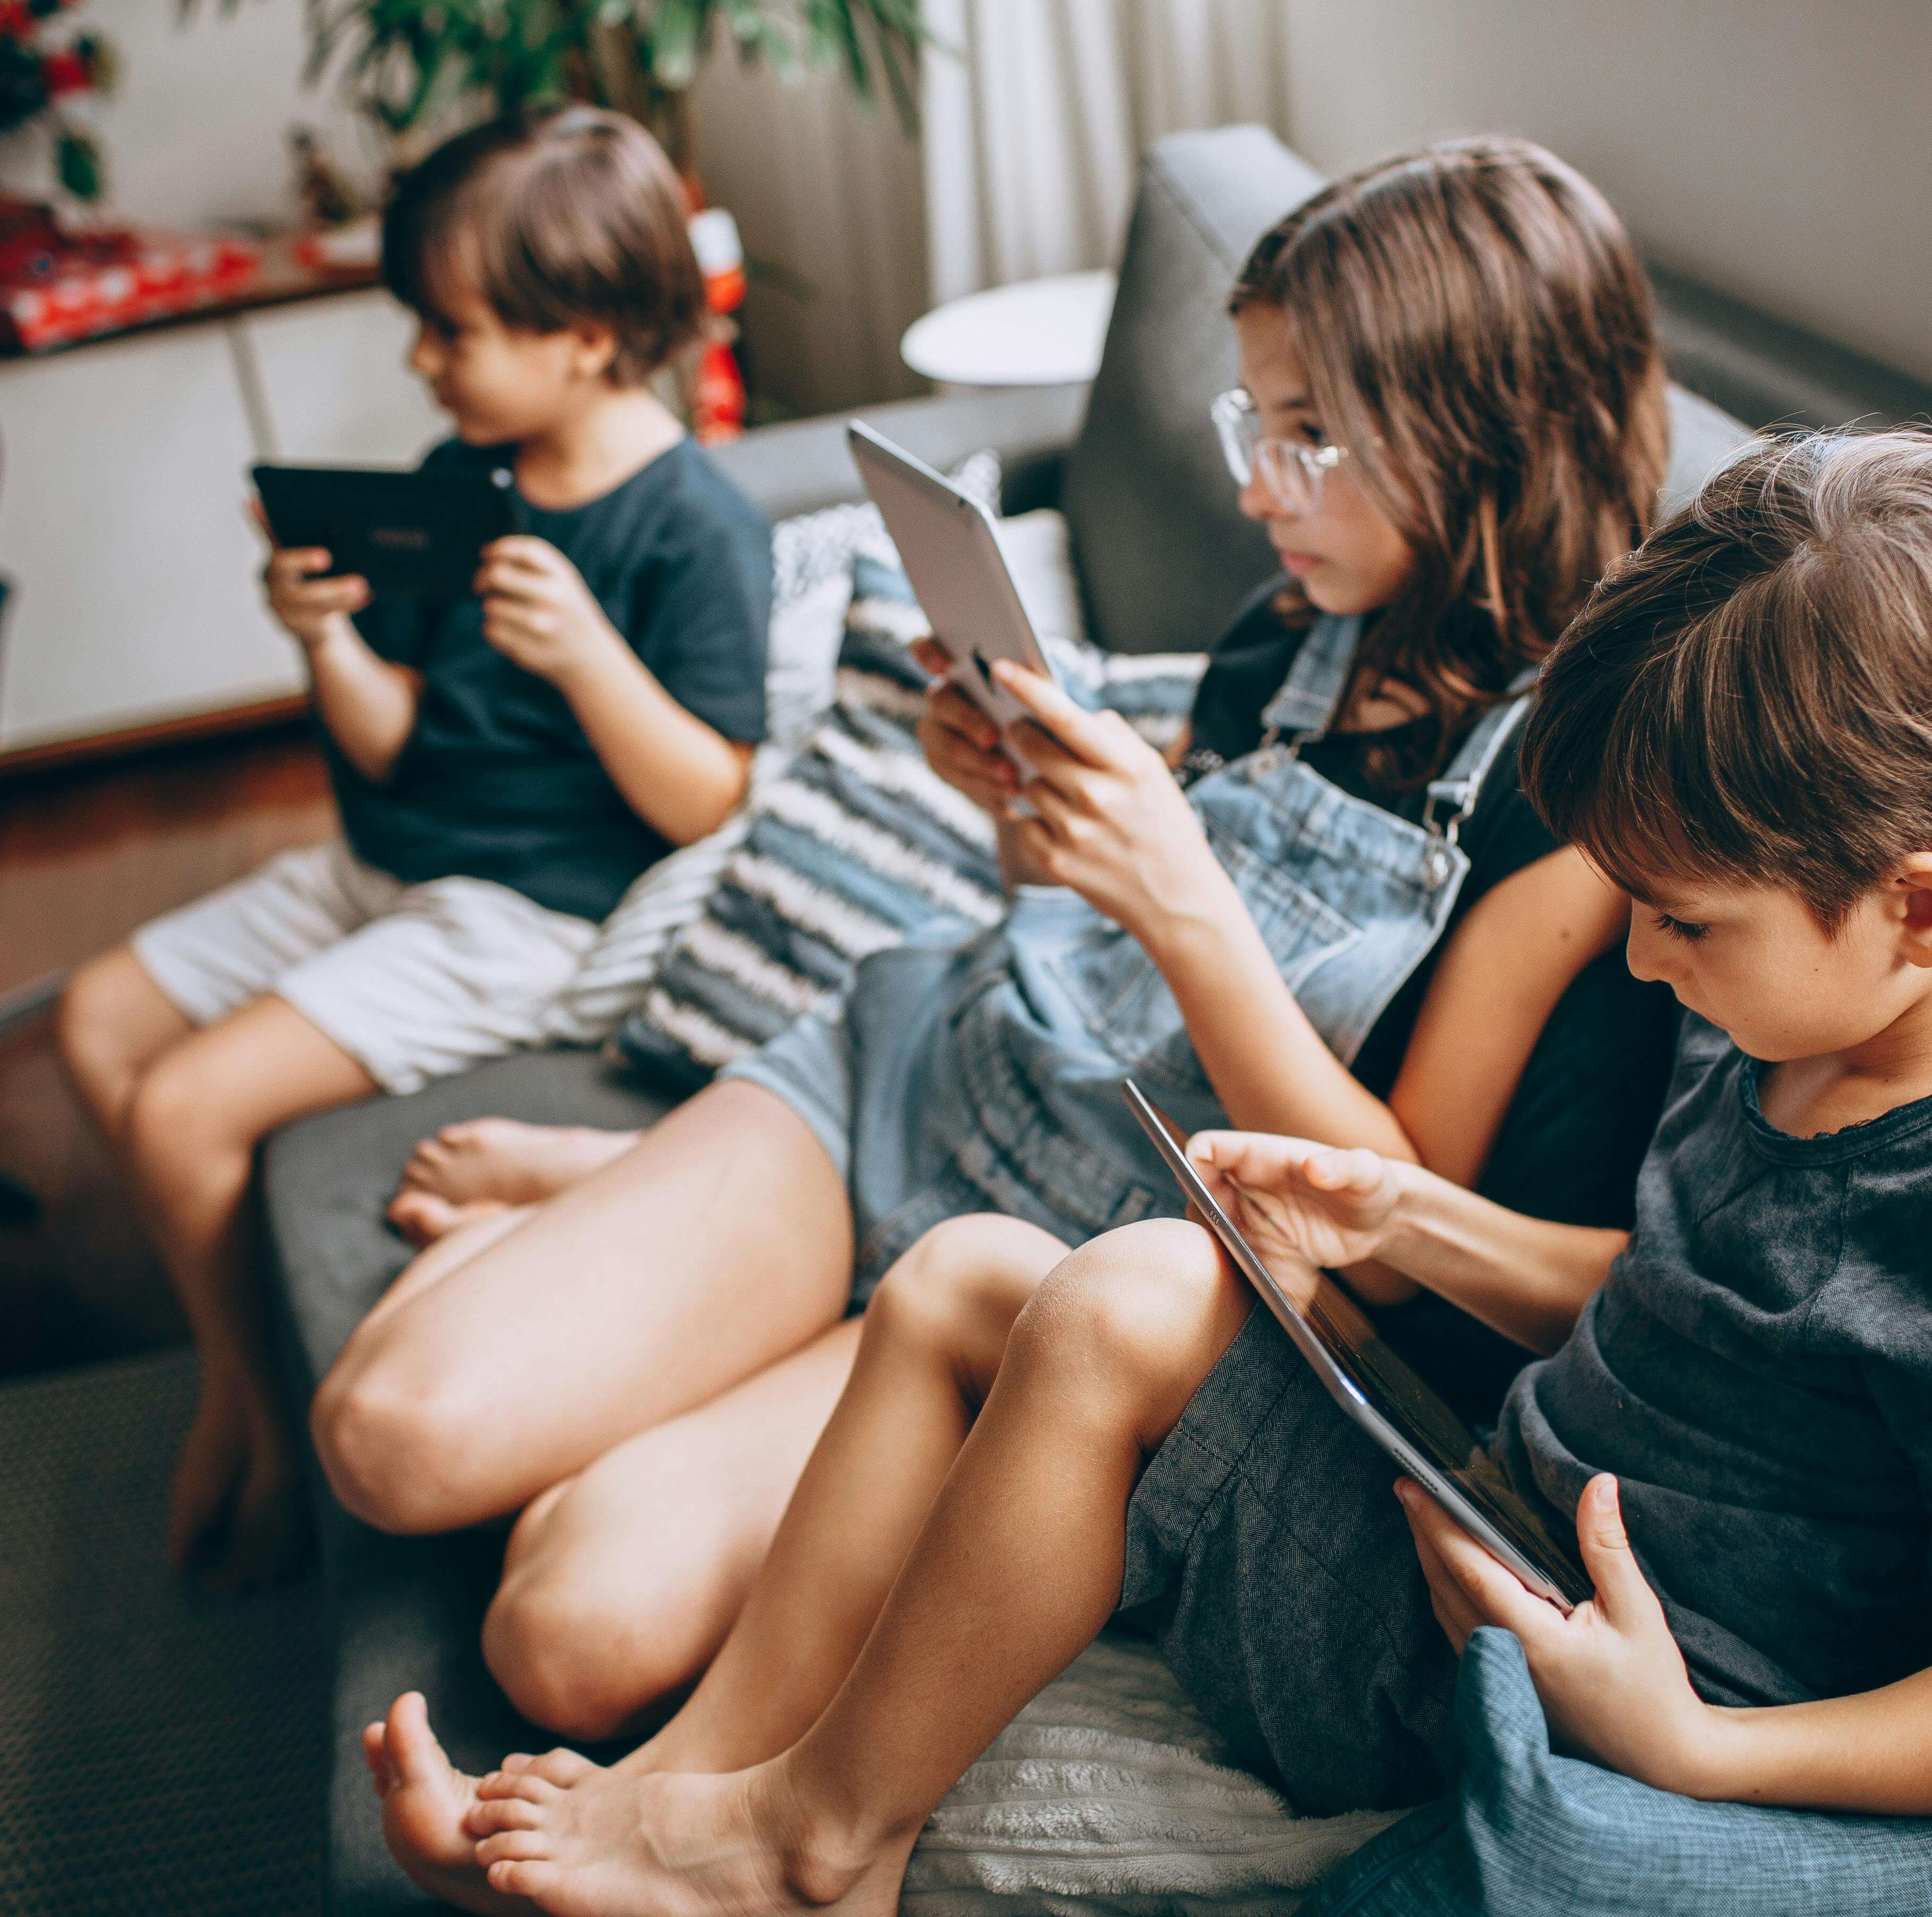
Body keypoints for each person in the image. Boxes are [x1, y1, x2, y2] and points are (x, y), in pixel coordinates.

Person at [366, 427, 1932, 1917]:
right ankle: (691, 1785)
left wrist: (1706, 1753)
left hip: (1551, 1687)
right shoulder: (1822, 1019)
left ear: (1930, 905)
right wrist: (1414, 1219)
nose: (1644, 965)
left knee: (1119, 1297)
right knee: (965, 1280)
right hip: (1483, 1514)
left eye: (1682, 925)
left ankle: (812, 1848)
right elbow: (1668, 1302)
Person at [306, 137, 1685, 1766]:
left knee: (567, 1634)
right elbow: (1088, 935)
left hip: (1055, 1246)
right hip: (934, 1071)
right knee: (385, 1436)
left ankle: (643, 1235)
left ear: (1490, 431)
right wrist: (1032, 816)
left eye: (1308, 436)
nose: (1256, 489)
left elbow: (1386, 1235)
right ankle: (650, 1219)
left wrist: (1182, 902)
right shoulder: (1298, 633)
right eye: (1257, 425)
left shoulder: (1570, 805)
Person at [54, 106, 771, 1591]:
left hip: (525, 909)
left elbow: (707, 800)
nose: (421, 363)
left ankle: (240, 1411)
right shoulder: (465, 476)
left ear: (582, 336)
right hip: (390, 859)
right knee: (98, 1015)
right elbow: (390, 741)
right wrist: (324, 643)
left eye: (450, 331)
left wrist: (588, 661)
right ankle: (244, 1353)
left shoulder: (693, 526)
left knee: (185, 1108)